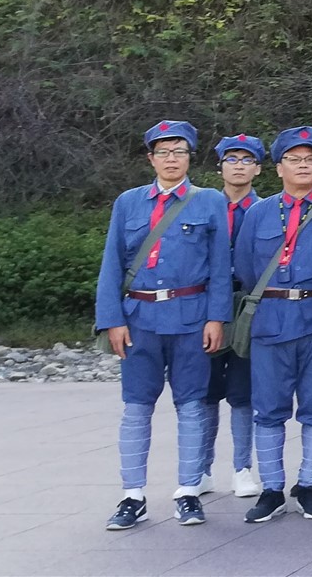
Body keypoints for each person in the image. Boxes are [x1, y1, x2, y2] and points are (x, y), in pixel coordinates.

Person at [96, 120, 232, 530]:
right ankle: (132, 495)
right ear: (151, 158)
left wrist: (217, 317)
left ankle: (188, 491)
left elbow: (220, 267)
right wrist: (112, 320)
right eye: (163, 152)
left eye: (179, 152)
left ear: (190, 158)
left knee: (192, 405)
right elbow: (111, 264)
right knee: (136, 407)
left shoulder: (209, 201)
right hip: (139, 320)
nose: (171, 159)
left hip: (191, 317)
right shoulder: (129, 202)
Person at [234, 126, 312, 523]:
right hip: (270, 320)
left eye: (310, 159)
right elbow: (245, 268)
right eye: (294, 159)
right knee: (268, 408)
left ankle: (309, 484)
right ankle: (272, 488)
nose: (303, 166)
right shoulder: (258, 213)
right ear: (278, 168)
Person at [202, 133, 265, 500]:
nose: (238, 166)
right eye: (231, 159)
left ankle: (242, 467)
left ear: (258, 168)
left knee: (243, 392)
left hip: (247, 304)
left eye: (246, 160)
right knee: (204, 391)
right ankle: (201, 468)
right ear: (220, 166)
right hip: (205, 305)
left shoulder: (268, 210)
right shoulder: (203, 206)